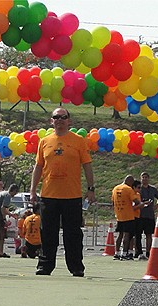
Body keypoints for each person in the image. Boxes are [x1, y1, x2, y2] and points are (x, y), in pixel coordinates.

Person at [29, 108, 95, 277]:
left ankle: (76, 266)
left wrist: (91, 189)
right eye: (56, 117)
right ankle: (45, 265)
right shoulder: (44, 141)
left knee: (73, 234)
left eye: (63, 117)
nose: (59, 120)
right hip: (49, 195)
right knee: (47, 233)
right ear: (51, 121)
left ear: (69, 121)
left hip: (72, 196)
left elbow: (87, 165)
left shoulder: (79, 141)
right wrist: (32, 191)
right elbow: (38, 167)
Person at [134, 172, 158, 260]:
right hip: (139, 214)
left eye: (146, 177)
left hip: (149, 215)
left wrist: (156, 206)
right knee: (138, 234)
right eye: (143, 177)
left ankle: (148, 252)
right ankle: (138, 252)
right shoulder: (138, 188)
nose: (144, 179)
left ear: (148, 178)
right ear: (141, 178)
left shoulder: (153, 189)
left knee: (149, 234)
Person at [112, 175, 137, 260]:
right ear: (130, 181)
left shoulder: (115, 188)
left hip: (119, 215)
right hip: (128, 215)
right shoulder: (128, 189)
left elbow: (113, 202)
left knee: (120, 234)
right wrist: (142, 204)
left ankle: (117, 252)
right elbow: (136, 201)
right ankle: (125, 253)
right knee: (127, 234)